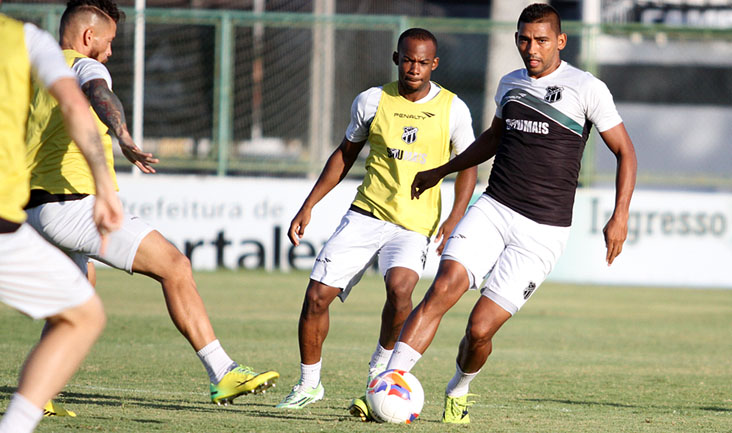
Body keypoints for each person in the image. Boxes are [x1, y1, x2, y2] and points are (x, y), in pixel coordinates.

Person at [387, 3, 637, 424]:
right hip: (495, 207)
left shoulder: (586, 87)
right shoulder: (510, 84)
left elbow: (626, 152)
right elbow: (494, 139)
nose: (531, 48)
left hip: (543, 230)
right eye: (524, 39)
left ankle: (459, 389)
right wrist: (442, 170)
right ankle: (388, 382)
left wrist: (620, 216)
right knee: (443, 288)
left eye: (541, 40)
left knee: (480, 330)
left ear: (560, 41)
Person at [23, 0, 278, 410]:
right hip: (73, 204)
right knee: (175, 266)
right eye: (108, 43)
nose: (109, 52)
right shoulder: (83, 65)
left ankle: (39, 393)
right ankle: (223, 372)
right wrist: (121, 134)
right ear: (89, 37)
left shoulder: (35, 71)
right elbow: (99, 91)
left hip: (35, 208)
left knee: (77, 298)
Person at [276, 28, 478, 413]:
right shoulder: (372, 100)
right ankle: (308, 383)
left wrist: (454, 216)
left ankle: (380, 369)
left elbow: (468, 165)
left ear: (434, 64)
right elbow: (344, 154)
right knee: (317, 296)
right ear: (396, 58)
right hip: (366, 214)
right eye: (407, 59)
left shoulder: (453, 108)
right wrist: (309, 205)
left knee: (401, 291)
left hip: (415, 225)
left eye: (422, 62)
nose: (414, 68)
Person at [0, 11, 123, 433]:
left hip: (22, 212)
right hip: (7, 218)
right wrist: (105, 183)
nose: (109, 52)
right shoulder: (28, 41)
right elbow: (75, 101)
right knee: (84, 314)